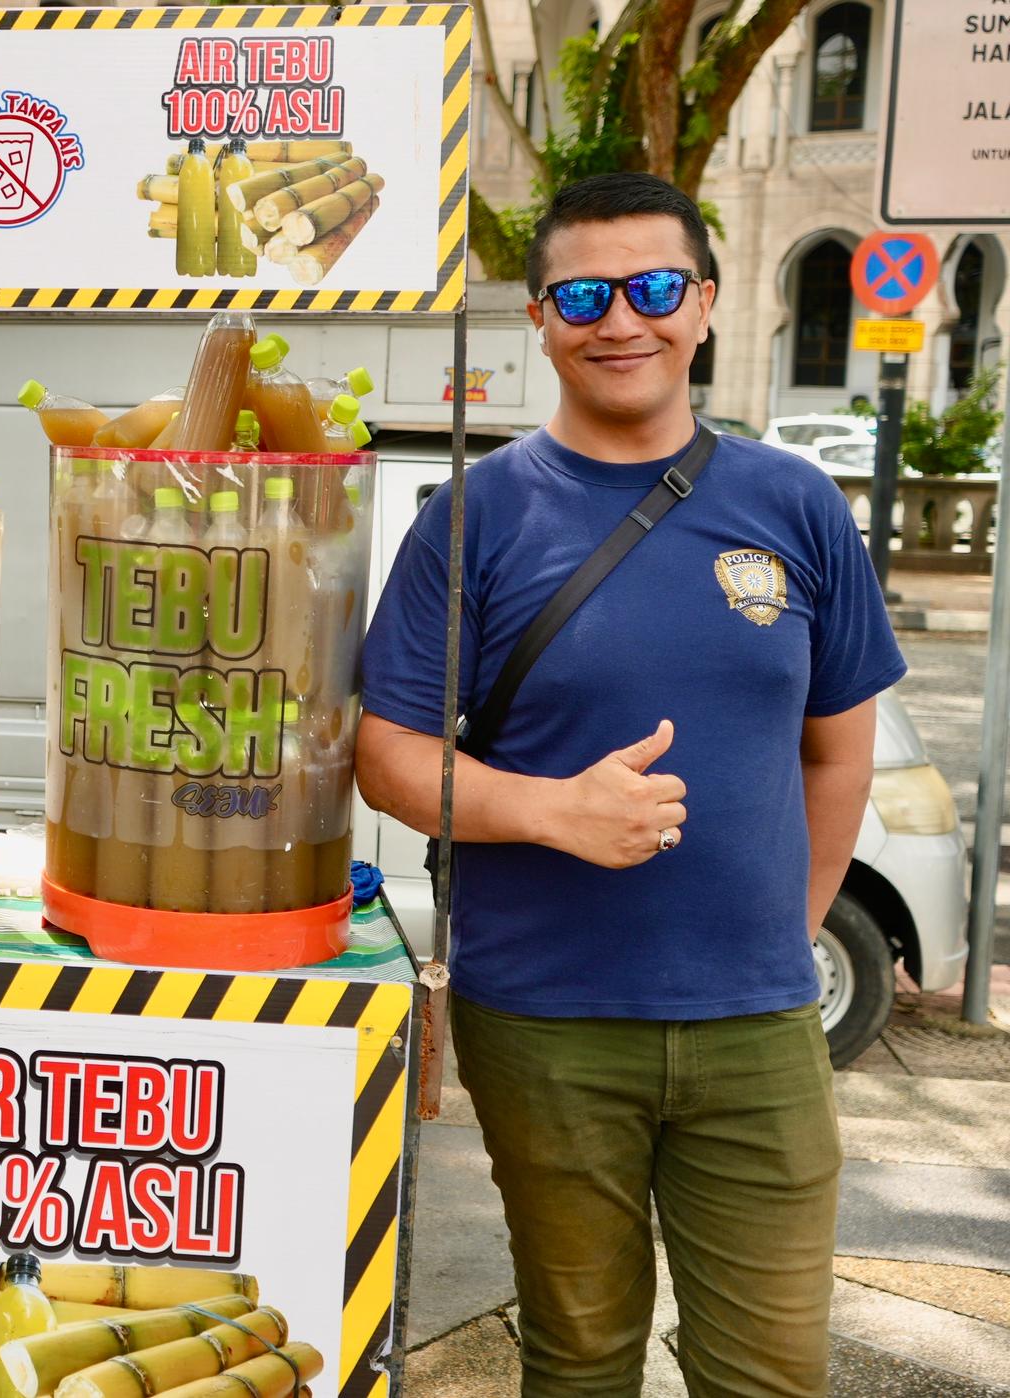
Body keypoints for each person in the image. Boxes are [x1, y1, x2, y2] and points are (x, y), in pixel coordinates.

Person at [356, 173, 905, 1395]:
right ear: (541, 320)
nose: (622, 319)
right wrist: (548, 810)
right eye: (584, 293)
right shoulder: (472, 516)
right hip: (543, 1024)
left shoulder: (794, 504)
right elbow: (388, 756)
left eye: (655, 287)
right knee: (578, 1362)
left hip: (757, 1029)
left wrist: (787, 930)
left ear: (703, 305)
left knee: (768, 1372)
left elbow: (836, 748)